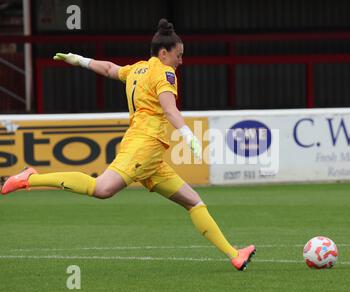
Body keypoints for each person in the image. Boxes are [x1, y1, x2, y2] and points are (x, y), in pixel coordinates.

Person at [1, 18, 256, 271]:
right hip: (144, 145)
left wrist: (79, 60)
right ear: (164, 53)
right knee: (102, 189)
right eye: (179, 55)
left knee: (194, 201)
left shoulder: (138, 69)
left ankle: (234, 255)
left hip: (151, 155)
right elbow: (170, 109)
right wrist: (188, 135)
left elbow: (110, 69)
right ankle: (29, 178)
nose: (181, 61)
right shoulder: (164, 72)